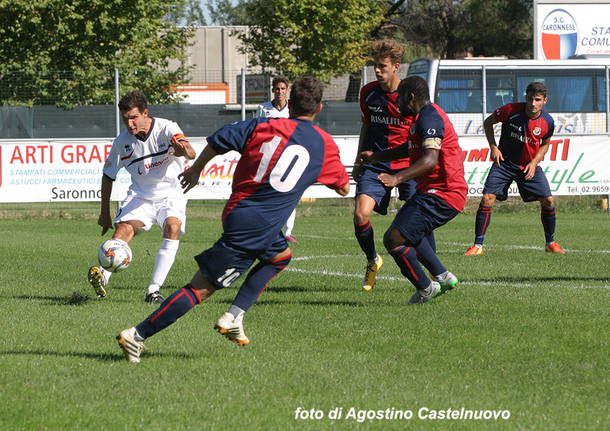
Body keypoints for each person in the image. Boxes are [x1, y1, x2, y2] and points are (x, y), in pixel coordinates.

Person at [117, 76, 350, 363]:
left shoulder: (262, 125)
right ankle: (136, 335)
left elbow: (219, 140)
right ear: (320, 108)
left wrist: (196, 170)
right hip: (256, 225)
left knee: (280, 256)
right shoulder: (324, 144)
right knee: (200, 288)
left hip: (239, 213)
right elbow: (343, 187)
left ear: (290, 105)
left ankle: (235, 316)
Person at [360, 76, 466, 304]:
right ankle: (444, 277)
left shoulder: (430, 118)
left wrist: (396, 178)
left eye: (399, 99)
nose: (396, 105)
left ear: (410, 97)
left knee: (394, 239)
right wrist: (377, 156)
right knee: (407, 232)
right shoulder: (421, 118)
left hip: (443, 193)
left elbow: (430, 160)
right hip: (432, 192)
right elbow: (408, 149)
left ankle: (427, 289)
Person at [88, 91, 196, 303]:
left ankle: (153, 290)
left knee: (172, 227)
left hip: (171, 192)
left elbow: (191, 152)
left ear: (145, 113)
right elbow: (108, 176)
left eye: (134, 117)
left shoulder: (167, 128)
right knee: (124, 229)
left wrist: (182, 150)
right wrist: (104, 213)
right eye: (125, 118)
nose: (129, 123)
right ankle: (103, 276)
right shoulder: (121, 143)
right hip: (141, 195)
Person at [353, 39, 432, 292]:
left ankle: (433, 266)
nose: (377, 70)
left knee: (418, 217)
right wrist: (358, 160)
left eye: (383, 66)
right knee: (360, 214)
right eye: (375, 65)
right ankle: (372, 260)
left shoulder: (409, 95)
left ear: (396, 67)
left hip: (407, 164)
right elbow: (365, 125)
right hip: (375, 164)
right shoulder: (368, 92)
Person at [464, 82, 565, 255]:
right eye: (530, 99)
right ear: (526, 97)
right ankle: (477, 246)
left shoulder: (547, 121)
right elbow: (488, 122)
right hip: (504, 163)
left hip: (527, 166)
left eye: (538, 100)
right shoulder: (510, 110)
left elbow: (545, 144)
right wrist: (494, 147)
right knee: (488, 198)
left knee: (548, 200)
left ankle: (550, 243)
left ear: (545, 101)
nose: (533, 103)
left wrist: (534, 163)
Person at [255, 75, 298, 243]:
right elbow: (257, 130)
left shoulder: (293, 109)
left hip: (288, 156)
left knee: (290, 192)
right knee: (266, 193)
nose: (279, 92)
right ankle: (267, 229)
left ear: (287, 90)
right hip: (268, 156)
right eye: (277, 89)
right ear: (273, 90)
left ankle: (288, 232)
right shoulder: (263, 108)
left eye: (283, 88)